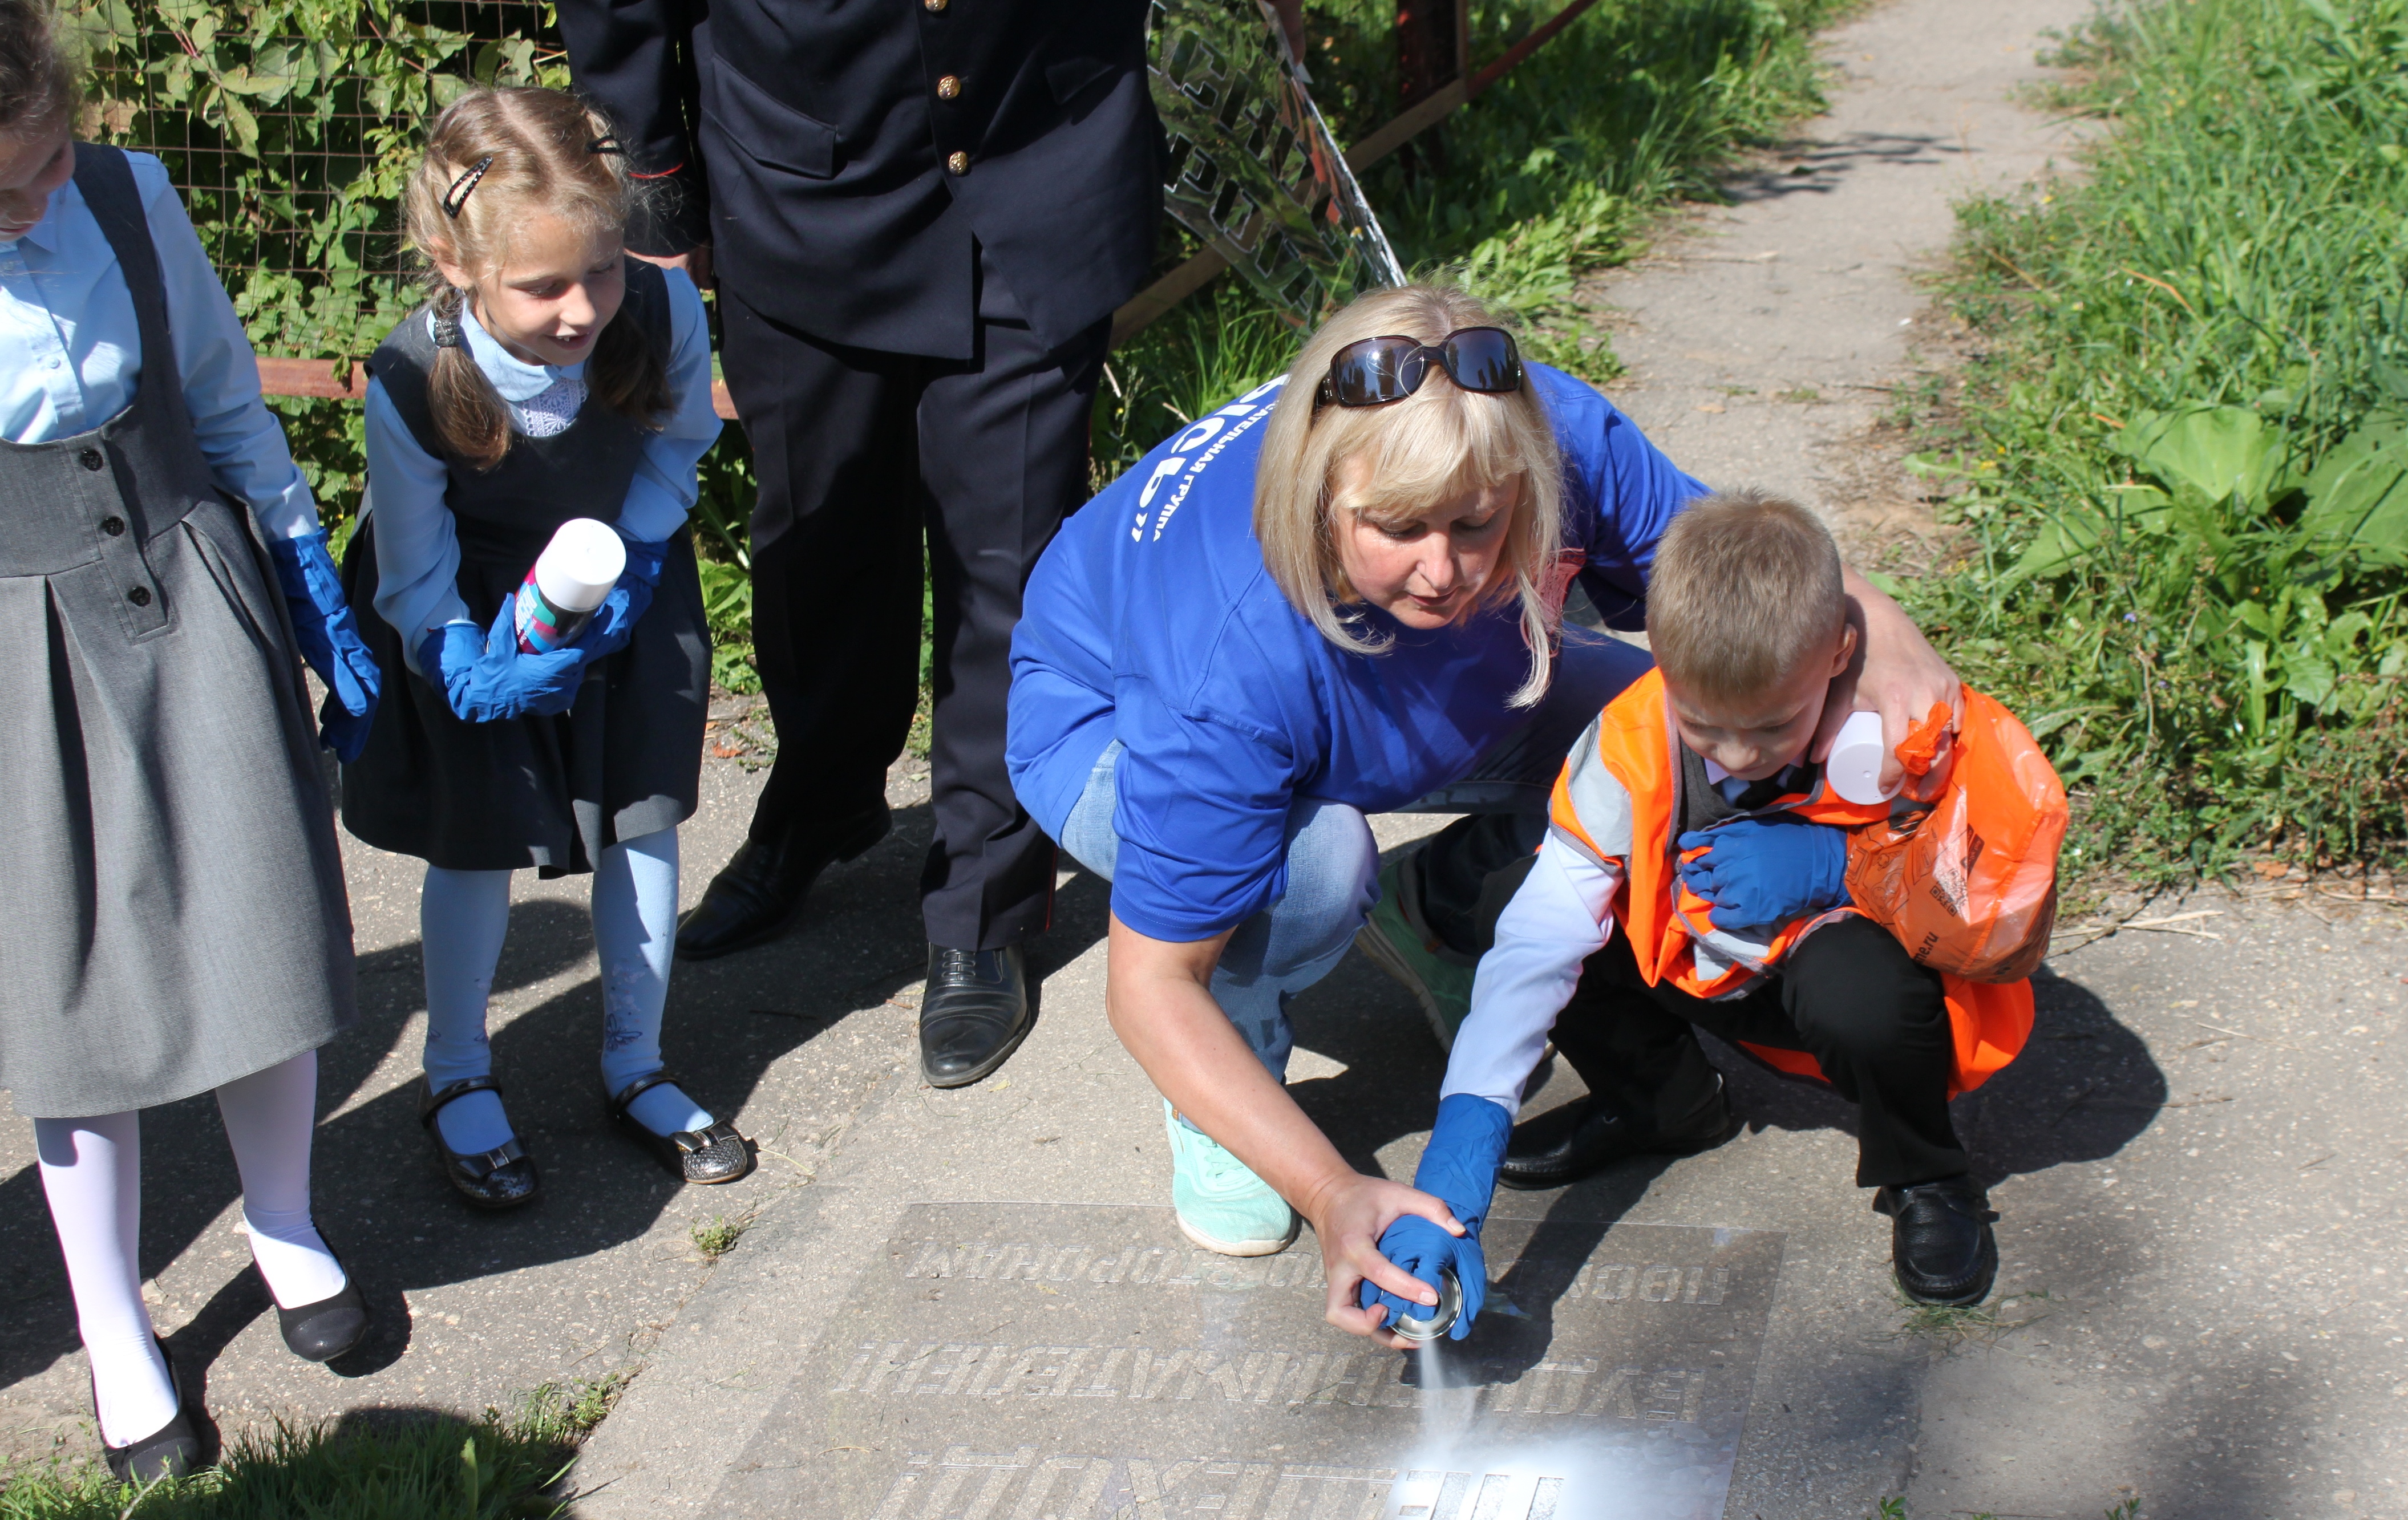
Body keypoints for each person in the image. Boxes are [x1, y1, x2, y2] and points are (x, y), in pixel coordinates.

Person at [1006, 284, 1964, 1345]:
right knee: (1315, 870)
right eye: (1399, 528)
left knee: (1670, 733)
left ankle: (1440, 904)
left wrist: (1883, 631)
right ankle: (1234, 1071)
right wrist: (1334, 1194)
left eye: (1478, 523)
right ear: (1323, 494)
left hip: (1398, 684)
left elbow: (1746, 596)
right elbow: (1149, 984)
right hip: (1108, 725)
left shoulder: (1542, 434)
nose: (1446, 568)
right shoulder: (1224, 665)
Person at [560, 0, 1162, 1089]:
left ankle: (983, 901)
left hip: (1037, 147)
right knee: (819, 542)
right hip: (797, 164)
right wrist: (651, 176)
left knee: (1011, 568)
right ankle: (824, 804)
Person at [1, 0, 379, 1481]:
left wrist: (308, 590)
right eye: (3, 189)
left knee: (259, 927)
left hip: (190, 588)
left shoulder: (130, 198)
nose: (37, 203)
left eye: (47, 163)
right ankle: (113, 1323)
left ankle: (284, 1227)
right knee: (71, 990)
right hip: (20, 645)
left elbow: (226, 402)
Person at [1414, 491, 2058, 1333]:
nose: (1740, 757)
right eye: (1705, 726)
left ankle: (1926, 1172)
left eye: (1773, 726)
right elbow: (1543, 937)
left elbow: (2005, 910)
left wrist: (1844, 866)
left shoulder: (1911, 729)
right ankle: (1664, 1105)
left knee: (1858, 992)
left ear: (1840, 653)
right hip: (1704, 961)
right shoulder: (1634, 740)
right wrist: (1466, 1135)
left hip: (1845, 980)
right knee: (1517, 903)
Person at [340, 86, 747, 1207]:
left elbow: (676, 447)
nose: (582, 310)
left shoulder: (659, 314)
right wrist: (460, 655)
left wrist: (639, 555)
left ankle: (637, 1061)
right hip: (469, 604)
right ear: (453, 259)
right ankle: (457, 1071)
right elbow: (413, 561)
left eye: (603, 270)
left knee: (642, 820)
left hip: (621, 577)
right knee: (477, 838)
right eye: (545, 286)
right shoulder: (416, 377)